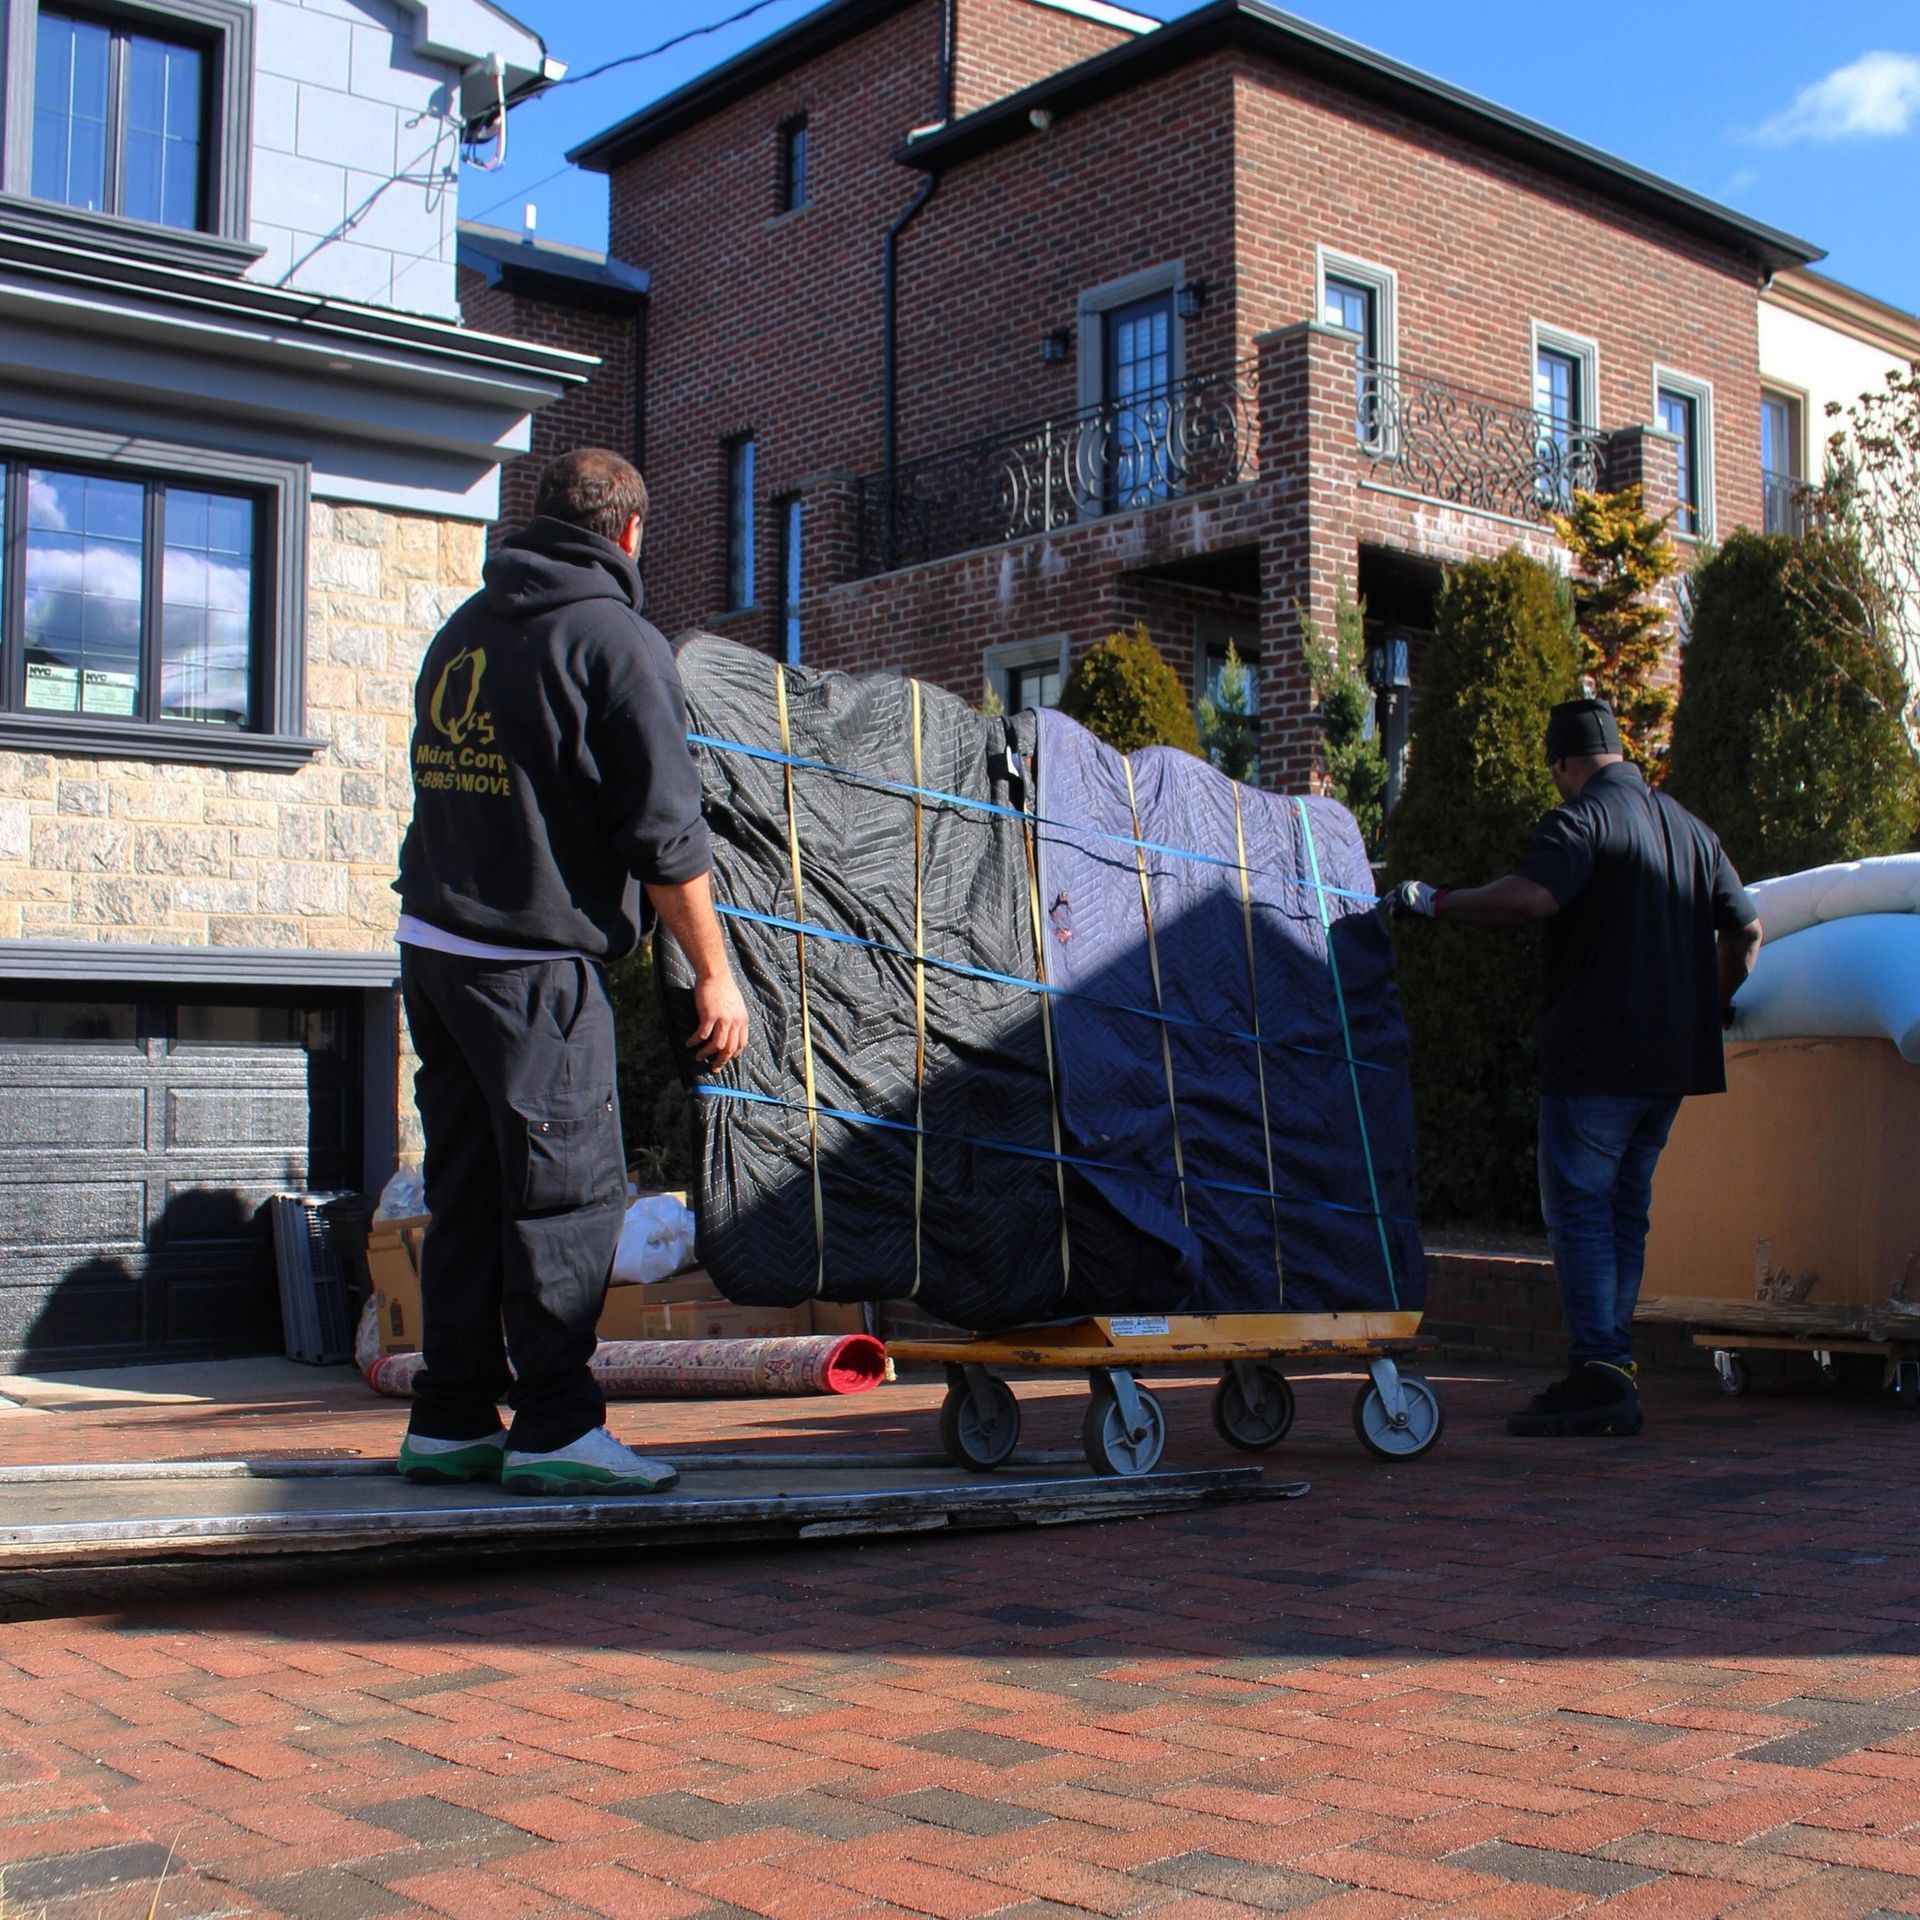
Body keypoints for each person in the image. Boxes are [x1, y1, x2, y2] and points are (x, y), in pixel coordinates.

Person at [393, 447, 748, 1495]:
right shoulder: (614, 641)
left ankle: (453, 1418)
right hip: (532, 966)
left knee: (466, 1190)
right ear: (631, 534)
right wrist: (715, 974)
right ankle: (553, 1427)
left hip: (434, 950)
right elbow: (667, 838)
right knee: (566, 1198)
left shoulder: (467, 626)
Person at [1386, 697, 1761, 1438]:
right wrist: (1706, 1007)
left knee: (1583, 1211)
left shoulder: (1581, 820)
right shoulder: (1690, 829)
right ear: (1620, 751)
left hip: (1597, 1058)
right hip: (1668, 1067)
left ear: (1563, 763)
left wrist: (1436, 902)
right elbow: (1746, 931)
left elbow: (1533, 897)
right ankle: (1612, 1366)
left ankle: (1598, 1374)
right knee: (1625, 1208)